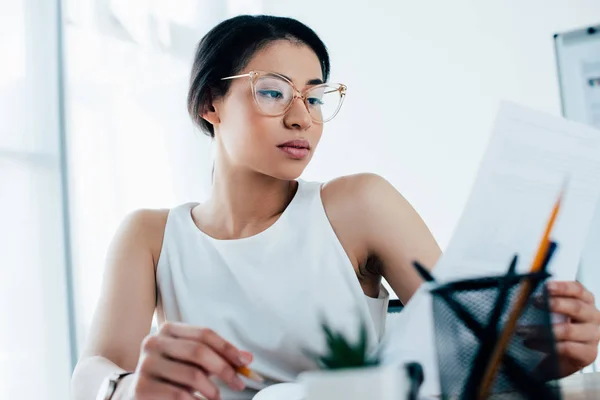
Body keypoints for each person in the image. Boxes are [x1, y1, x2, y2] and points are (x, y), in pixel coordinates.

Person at [71, 14, 600, 400]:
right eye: (274, 93)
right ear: (211, 102)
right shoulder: (150, 236)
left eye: (316, 96)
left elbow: (474, 353)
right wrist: (127, 387)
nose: (303, 117)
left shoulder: (357, 205)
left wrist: (548, 356)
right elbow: (94, 377)